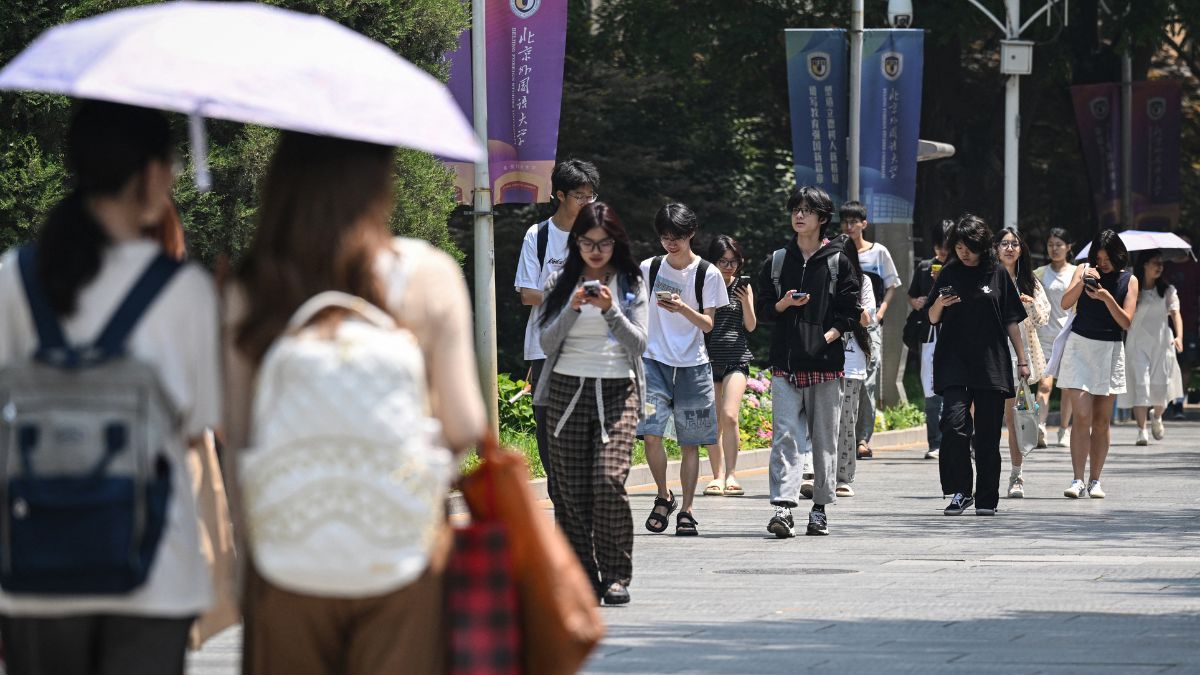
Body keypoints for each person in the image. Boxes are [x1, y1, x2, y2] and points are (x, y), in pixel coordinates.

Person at [224, 132, 486, 673]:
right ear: (379, 184)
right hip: (405, 551)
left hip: (286, 556)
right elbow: (465, 423)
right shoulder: (428, 274)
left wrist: (245, 562)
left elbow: (237, 437)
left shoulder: (252, 286)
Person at [0, 101, 219, 675]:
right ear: (150, 174)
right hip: (153, 575)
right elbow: (200, 428)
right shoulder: (184, 291)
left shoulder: (11, 280)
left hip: (35, 572)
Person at [534, 201, 647, 605]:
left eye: (604, 243)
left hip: (618, 391)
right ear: (576, 243)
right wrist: (574, 306)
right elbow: (546, 342)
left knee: (608, 480)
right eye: (587, 242)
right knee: (570, 492)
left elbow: (639, 343)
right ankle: (581, 576)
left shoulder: (632, 283)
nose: (596, 251)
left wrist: (611, 309)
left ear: (616, 243)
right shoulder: (559, 283)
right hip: (566, 391)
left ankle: (616, 575)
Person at [756, 186, 859, 537]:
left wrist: (825, 338)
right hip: (785, 365)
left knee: (823, 438)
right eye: (795, 209)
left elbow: (850, 314)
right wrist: (784, 304)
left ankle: (819, 508)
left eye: (807, 210)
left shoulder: (837, 261)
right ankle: (784, 508)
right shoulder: (777, 260)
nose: (799, 216)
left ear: (822, 217)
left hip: (825, 366)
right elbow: (763, 311)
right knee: (785, 436)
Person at [926, 215, 1029, 516]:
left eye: (969, 246)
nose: (963, 252)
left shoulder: (997, 273)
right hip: (954, 362)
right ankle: (960, 491)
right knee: (955, 426)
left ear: (981, 245)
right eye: (958, 246)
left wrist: (1022, 360)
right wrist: (940, 304)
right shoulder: (949, 272)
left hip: (990, 364)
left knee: (986, 436)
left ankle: (986, 498)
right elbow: (932, 318)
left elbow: (1012, 321)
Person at [639, 203, 728, 537]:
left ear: (691, 233)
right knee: (650, 435)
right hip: (653, 364)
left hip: (694, 367)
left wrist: (682, 308)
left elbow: (708, 324)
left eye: (676, 236)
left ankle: (687, 510)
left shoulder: (708, 273)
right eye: (664, 237)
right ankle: (664, 495)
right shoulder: (648, 268)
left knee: (691, 443)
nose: (670, 243)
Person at [514, 159, 600, 480]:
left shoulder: (596, 237)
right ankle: (561, 506)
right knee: (549, 431)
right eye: (581, 195)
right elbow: (527, 293)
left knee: (586, 427)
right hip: (544, 348)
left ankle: (580, 507)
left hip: (587, 346)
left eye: (591, 195)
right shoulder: (537, 235)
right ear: (560, 195)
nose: (588, 202)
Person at [1056, 229, 1138, 500]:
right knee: (1081, 416)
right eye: (1098, 258)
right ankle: (1077, 479)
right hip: (1080, 346)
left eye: (1107, 258)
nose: (1102, 263)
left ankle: (1095, 480)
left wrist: (1105, 297)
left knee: (1102, 422)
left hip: (1110, 349)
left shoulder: (1130, 280)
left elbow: (1126, 321)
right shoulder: (1083, 270)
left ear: (1118, 255)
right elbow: (1065, 303)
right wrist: (1083, 281)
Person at [841, 200, 901, 460]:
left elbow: (892, 284)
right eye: (846, 221)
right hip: (843, 325)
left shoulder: (878, 252)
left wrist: (880, 312)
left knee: (867, 380)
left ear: (864, 224)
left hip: (870, 326)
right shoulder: (839, 250)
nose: (849, 226)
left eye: (854, 221)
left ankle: (862, 438)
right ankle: (845, 434)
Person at [995, 227, 1049, 499]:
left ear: (1021, 249)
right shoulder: (988, 277)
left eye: (1014, 244)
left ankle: (1017, 474)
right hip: (990, 354)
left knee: (1014, 418)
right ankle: (985, 471)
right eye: (1004, 243)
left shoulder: (1031, 281)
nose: (1009, 248)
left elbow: (1043, 320)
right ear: (995, 248)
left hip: (1020, 356)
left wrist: (1029, 305)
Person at [701, 235, 756, 497]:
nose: (728, 266)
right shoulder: (705, 286)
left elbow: (751, 326)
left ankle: (733, 475)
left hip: (737, 357)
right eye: (723, 261)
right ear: (713, 262)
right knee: (713, 421)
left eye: (733, 261)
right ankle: (717, 476)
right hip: (708, 359)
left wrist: (745, 301)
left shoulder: (743, 287)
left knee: (730, 416)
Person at [1118, 251, 1184, 445]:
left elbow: (1175, 314)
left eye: (1161, 263)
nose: (1159, 266)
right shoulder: (1132, 289)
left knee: (1161, 387)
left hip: (1163, 343)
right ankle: (1142, 430)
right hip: (1137, 343)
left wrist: (1179, 336)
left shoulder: (1168, 290)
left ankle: (1157, 415)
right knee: (1141, 384)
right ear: (1144, 265)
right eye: (1155, 262)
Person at [832, 234, 874, 498]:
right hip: (823, 360)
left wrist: (850, 297)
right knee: (823, 422)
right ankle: (818, 474)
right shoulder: (821, 278)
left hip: (851, 361)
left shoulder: (863, 282)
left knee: (847, 421)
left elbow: (867, 319)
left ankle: (844, 476)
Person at [907, 220, 951, 459]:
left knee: (955, 391)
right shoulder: (925, 267)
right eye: (938, 245)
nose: (942, 251)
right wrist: (917, 302)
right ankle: (935, 442)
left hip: (954, 335)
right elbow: (911, 295)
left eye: (946, 245)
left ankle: (957, 440)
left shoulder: (960, 267)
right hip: (929, 335)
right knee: (931, 390)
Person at [1034, 228, 1077, 447]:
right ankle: (1040, 426)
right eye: (1051, 244)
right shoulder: (1039, 273)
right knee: (1044, 385)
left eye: (1059, 244)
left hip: (1069, 335)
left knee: (1068, 387)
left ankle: (1064, 429)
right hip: (1044, 337)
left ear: (1069, 247)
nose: (1054, 248)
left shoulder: (1077, 272)